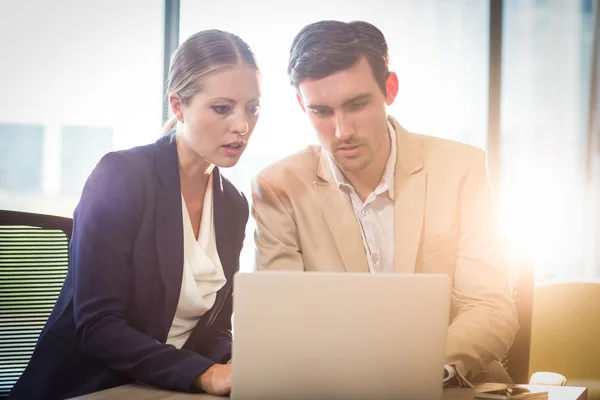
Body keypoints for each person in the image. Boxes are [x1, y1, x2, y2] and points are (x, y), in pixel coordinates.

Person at [251, 20, 518, 386]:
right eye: (321, 112)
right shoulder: (278, 187)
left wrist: (417, 370)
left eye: (356, 105)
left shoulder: (460, 169)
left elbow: (490, 308)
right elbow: (282, 322)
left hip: (448, 383)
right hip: (331, 386)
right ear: (301, 104)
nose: (342, 131)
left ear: (389, 89)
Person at [9, 29, 261, 400]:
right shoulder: (121, 175)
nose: (242, 125)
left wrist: (246, 361)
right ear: (178, 106)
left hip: (165, 388)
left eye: (252, 108)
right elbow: (97, 327)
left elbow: (215, 329)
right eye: (222, 108)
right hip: (89, 387)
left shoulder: (233, 205)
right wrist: (205, 374)